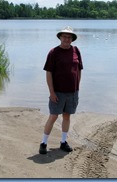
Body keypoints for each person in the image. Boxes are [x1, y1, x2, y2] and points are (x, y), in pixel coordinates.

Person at [39, 26, 83, 154]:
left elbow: (79, 69)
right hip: (57, 92)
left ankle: (63, 142)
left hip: (73, 92)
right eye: (64, 36)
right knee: (53, 116)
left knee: (67, 116)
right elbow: (49, 73)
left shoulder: (76, 51)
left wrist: (77, 87)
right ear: (60, 37)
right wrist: (51, 92)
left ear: (72, 39)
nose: (66, 39)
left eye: (69, 37)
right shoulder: (53, 52)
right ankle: (43, 143)